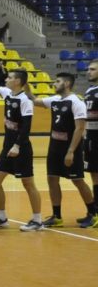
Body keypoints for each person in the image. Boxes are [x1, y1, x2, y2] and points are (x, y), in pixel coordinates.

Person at [0, 59, 44, 231]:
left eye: (10, 77)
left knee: (28, 183)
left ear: (18, 81)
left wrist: (17, 146)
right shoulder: (7, 93)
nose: (6, 79)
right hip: (7, 147)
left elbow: (26, 126)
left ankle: (37, 220)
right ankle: (1, 217)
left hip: (21, 148)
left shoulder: (25, 100)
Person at [25, 73, 95, 228]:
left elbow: (80, 128)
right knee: (52, 179)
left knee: (77, 180)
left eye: (58, 81)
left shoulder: (76, 102)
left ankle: (93, 213)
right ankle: (57, 216)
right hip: (55, 147)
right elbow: (34, 100)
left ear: (67, 83)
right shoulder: (55, 100)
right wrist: (26, 86)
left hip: (70, 148)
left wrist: (71, 151)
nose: (54, 84)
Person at [82, 59, 98, 227]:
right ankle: (95, 212)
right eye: (88, 69)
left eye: (92, 69)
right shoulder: (89, 91)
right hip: (91, 138)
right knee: (94, 174)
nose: (88, 71)